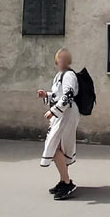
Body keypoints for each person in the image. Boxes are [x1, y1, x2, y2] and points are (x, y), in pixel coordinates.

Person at [38, 47, 78, 200]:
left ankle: (67, 182)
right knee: (58, 147)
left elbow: (67, 96)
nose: (60, 61)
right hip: (61, 115)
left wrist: (53, 111)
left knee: (54, 147)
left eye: (63, 58)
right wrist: (46, 95)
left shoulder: (69, 75)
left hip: (66, 114)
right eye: (59, 58)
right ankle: (63, 180)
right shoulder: (59, 75)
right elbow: (58, 95)